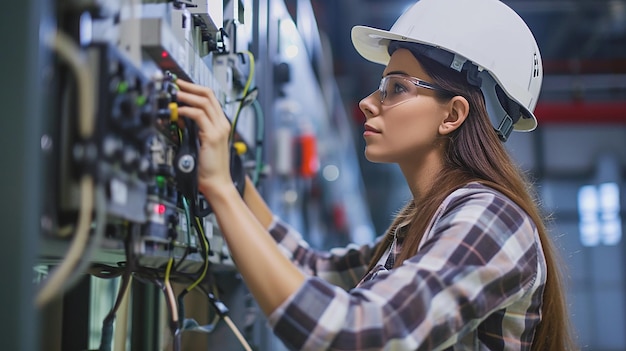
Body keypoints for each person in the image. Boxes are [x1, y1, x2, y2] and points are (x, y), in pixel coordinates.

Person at [175, 0, 576, 349]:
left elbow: (359, 337)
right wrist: (235, 180)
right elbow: (313, 270)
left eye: (395, 87)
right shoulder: (421, 224)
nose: (368, 103)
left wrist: (220, 190)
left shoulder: (493, 219)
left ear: (452, 115)